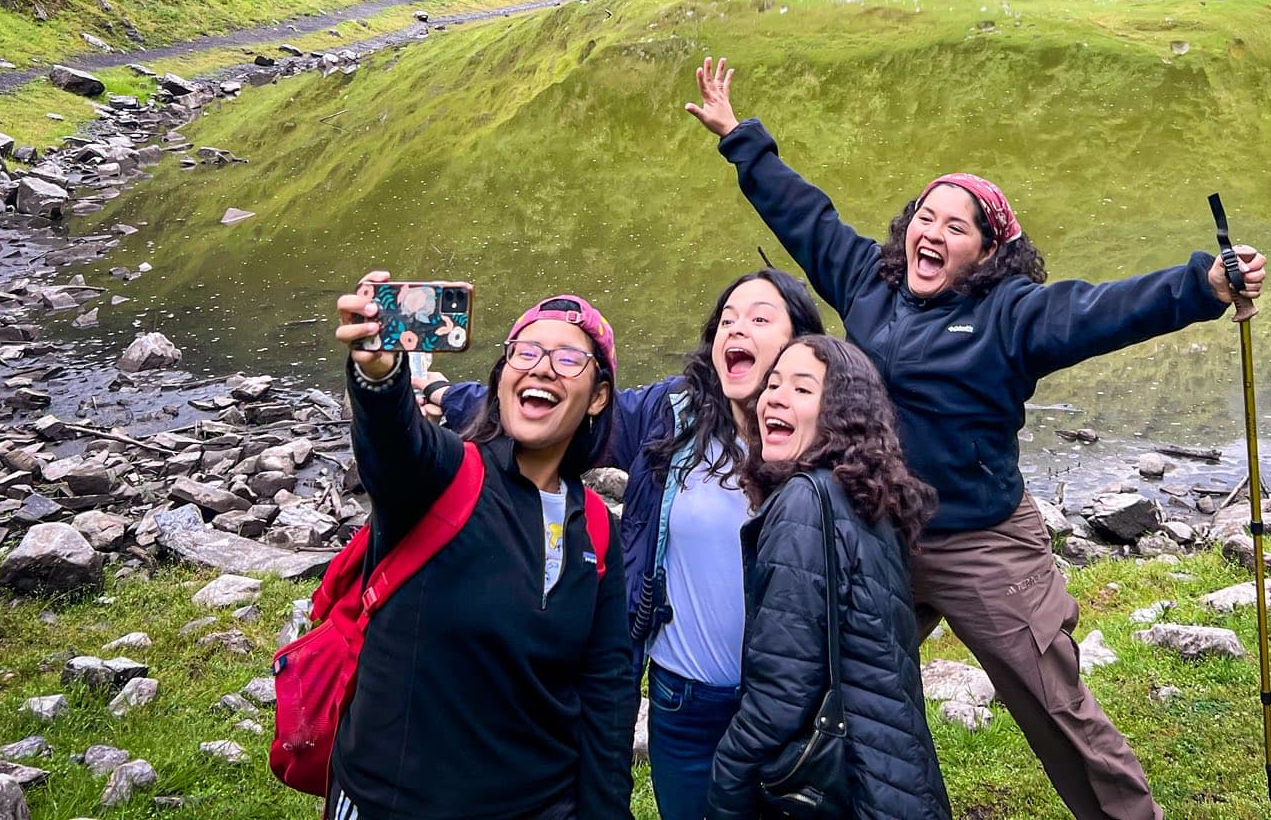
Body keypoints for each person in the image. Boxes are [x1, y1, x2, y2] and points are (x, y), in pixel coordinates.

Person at [686, 58, 1268, 820]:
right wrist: (742, 140)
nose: (931, 231)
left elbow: (1102, 311)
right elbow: (807, 217)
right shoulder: (870, 280)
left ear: (988, 251)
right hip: (878, 530)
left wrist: (1202, 286)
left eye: (954, 226)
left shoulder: (1013, 314)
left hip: (981, 542)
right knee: (834, 689)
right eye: (924, 216)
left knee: (1054, 704)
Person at [434, 269, 826, 820]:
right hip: (683, 698)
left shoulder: (825, 432)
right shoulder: (673, 414)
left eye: (760, 319)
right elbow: (564, 407)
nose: (737, 329)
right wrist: (446, 394)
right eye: (728, 320)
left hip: (790, 704)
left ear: (799, 343)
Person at [331, 274, 637, 820]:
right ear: (501, 378)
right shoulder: (445, 474)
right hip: (393, 803)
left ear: (598, 398)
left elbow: (608, 692)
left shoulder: (596, 528)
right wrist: (380, 377)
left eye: (568, 359)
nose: (541, 366)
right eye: (525, 351)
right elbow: (394, 443)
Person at [707, 335, 950, 820]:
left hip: (842, 784)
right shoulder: (864, 499)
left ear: (841, 414)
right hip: (893, 768)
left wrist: (725, 782)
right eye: (773, 384)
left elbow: (783, 689)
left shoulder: (804, 504)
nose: (774, 397)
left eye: (801, 389)